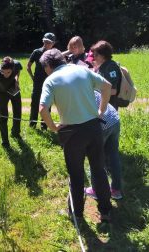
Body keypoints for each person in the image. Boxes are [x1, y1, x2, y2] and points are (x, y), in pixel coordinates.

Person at [39, 48, 113, 222]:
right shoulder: (82, 69)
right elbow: (107, 86)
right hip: (94, 128)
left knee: (76, 174)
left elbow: (42, 108)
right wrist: (101, 110)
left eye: (45, 68)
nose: (45, 72)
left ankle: (77, 214)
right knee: (99, 169)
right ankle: (106, 211)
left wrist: (53, 127)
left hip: (71, 133)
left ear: (49, 66)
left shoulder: (50, 80)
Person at [85, 91, 123, 200]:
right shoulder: (89, 88)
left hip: (102, 125)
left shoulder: (79, 95)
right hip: (114, 120)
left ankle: (96, 190)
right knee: (113, 156)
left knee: (95, 157)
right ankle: (116, 190)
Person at [0, 56, 22, 148]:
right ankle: (5, 142)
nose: (5, 74)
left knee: (17, 111)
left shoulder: (16, 65)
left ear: (12, 68)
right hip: (2, 93)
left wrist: (17, 80)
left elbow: (18, 71)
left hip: (13, 88)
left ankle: (15, 133)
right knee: (3, 117)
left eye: (8, 72)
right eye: (3, 72)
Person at [27, 32, 56, 130]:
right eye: (45, 41)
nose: (46, 44)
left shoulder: (54, 54)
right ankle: (32, 124)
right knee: (35, 103)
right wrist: (32, 77)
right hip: (38, 82)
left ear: (53, 43)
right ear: (43, 41)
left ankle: (45, 125)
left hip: (50, 83)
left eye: (49, 42)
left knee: (47, 103)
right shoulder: (36, 52)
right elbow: (28, 66)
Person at [90, 40, 122, 110]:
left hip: (109, 106)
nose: (94, 57)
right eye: (93, 55)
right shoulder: (102, 66)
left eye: (96, 55)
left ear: (103, 55)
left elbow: (113, 91)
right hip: (102, 104)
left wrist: (94, 94)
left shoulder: (111, 67)